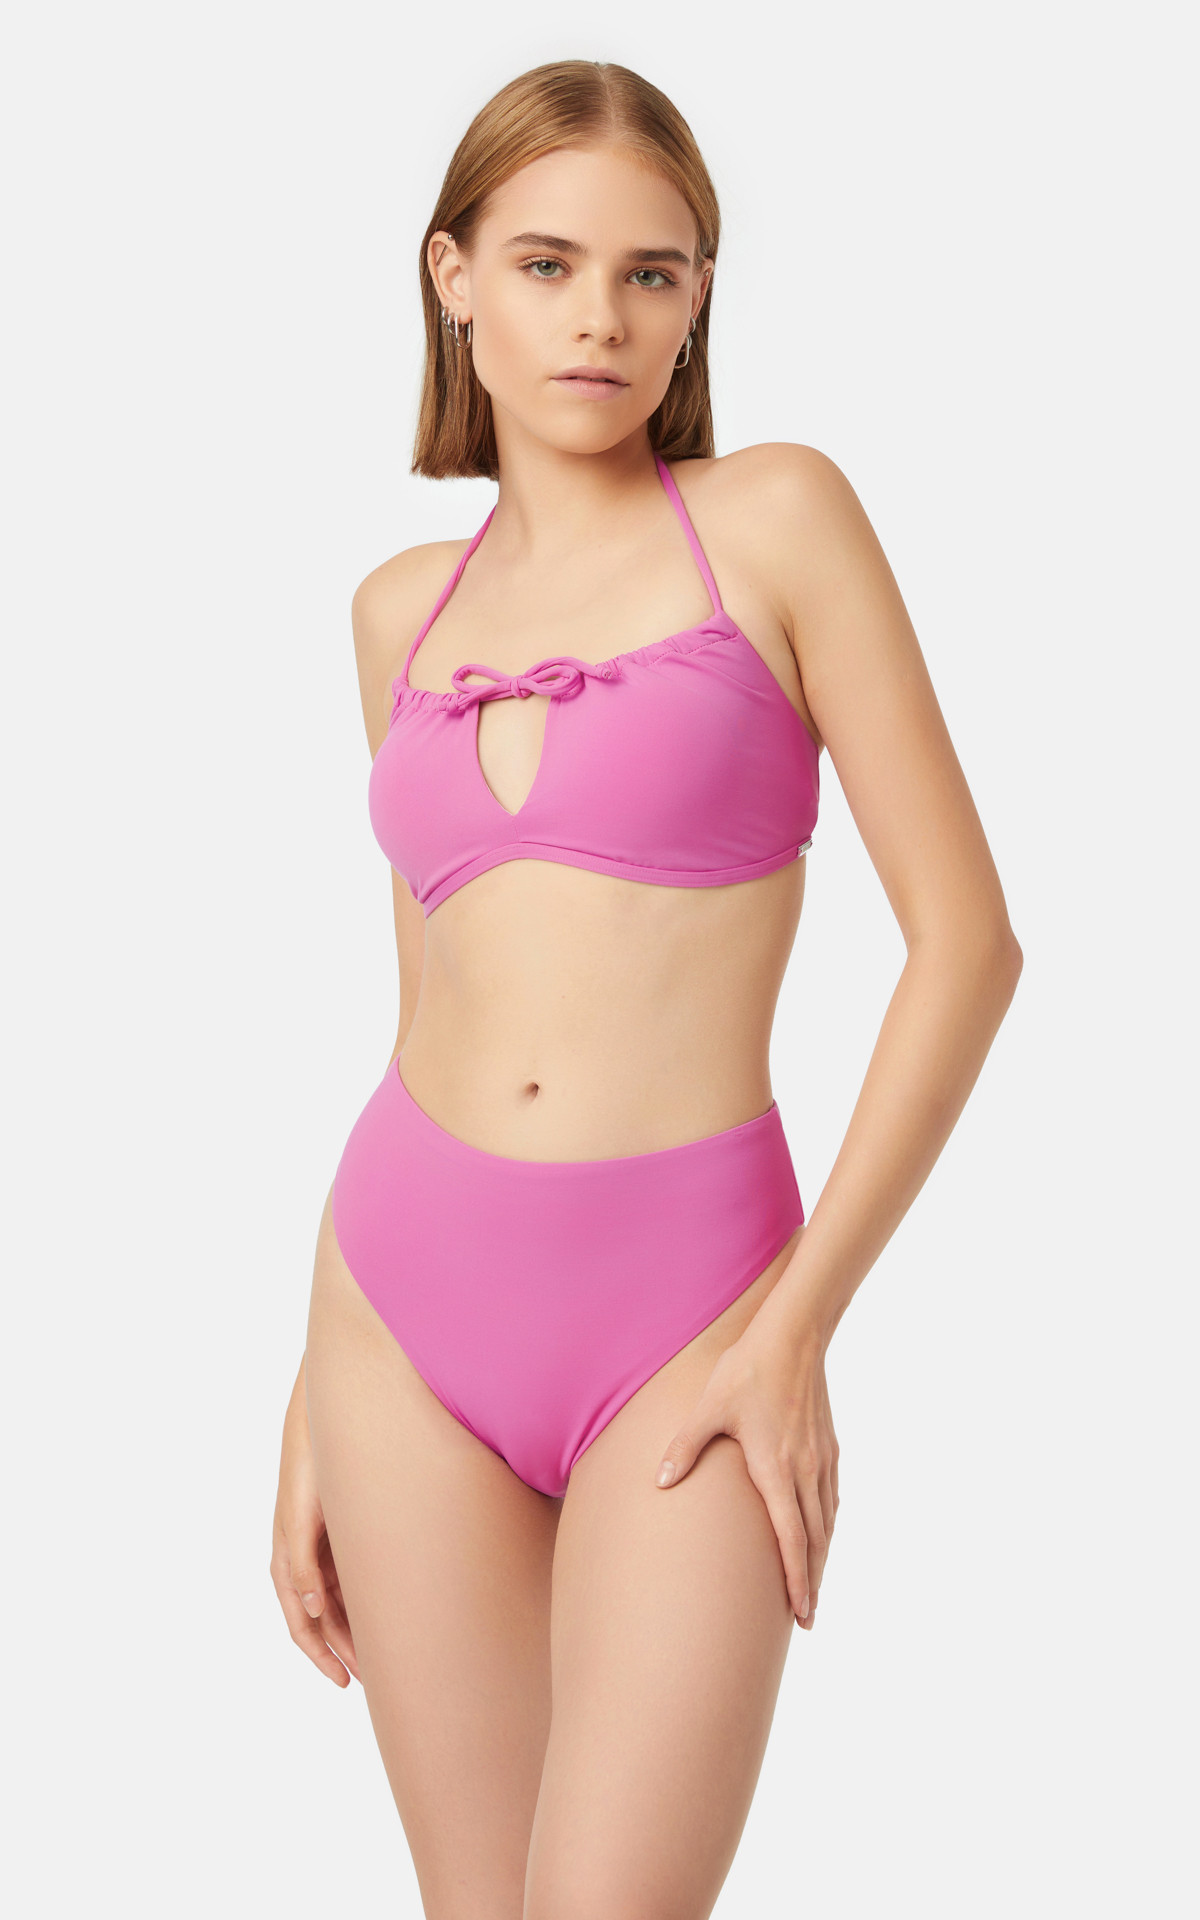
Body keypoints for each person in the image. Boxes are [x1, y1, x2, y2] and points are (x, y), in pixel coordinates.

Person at [270, 58, 1022, 1919]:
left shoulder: (778, 521)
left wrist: (795, 1331)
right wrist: (310, 1389)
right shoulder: (397, 612)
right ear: (453, 277)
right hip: (399, 1316)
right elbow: (424, 1006)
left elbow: (968, 945)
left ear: (696, 302)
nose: (599, 317)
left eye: (651, 273)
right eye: (545, 264)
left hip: (694, 1312)